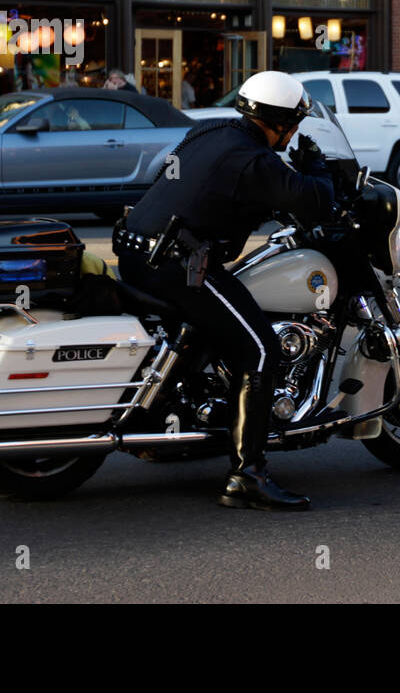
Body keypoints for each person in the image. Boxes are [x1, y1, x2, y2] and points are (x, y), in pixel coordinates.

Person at [115, 71, 335, 511]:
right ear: (281, 123)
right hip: (177, 268)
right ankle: (247, 475)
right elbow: (317, 200)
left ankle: (164, 427)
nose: (294, 133)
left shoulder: (211, 130)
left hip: (138, 253)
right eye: (294, 124)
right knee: (259, 350)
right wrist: (316, 165)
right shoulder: (255, 160)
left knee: (218, 327)